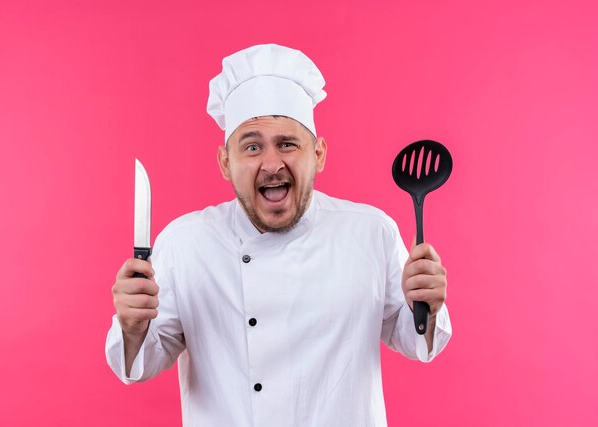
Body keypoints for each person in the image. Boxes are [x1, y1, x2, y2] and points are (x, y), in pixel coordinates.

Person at [106, 43, 451, 426]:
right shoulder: (185, 243)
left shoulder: (371, 232)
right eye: (252, 146)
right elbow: (143, 360)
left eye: (288, 143)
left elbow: (416, 339)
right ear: (225, 162)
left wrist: (427, 305)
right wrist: (132, 327)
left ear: (318, 154)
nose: (272, 164)